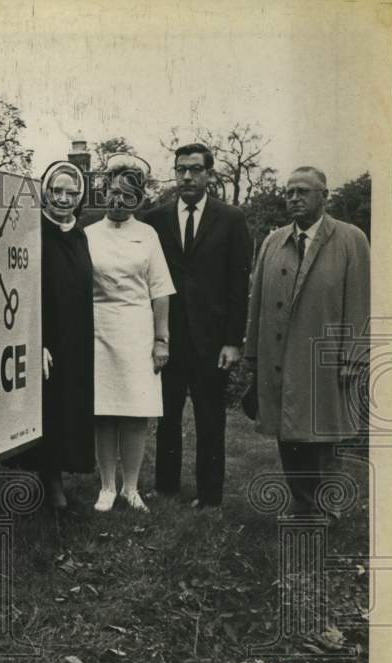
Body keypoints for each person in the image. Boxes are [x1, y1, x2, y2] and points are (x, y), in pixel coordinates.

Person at [244, 166, 370, 517]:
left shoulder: (351, 239)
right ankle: (303, 505)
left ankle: (328, 508)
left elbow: (359, 300)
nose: (294, 198)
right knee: (289, 433)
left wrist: (354, 358)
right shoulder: (273, 240)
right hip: (280, 357)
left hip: (325, 358)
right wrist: (253, 354)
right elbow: (256, 301)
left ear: (324, 196)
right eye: (289, 192)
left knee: (325, 433)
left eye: (303, 191)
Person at [143, 143, 252, 509]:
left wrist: (232, 341)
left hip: (211, 338)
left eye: (194, 169)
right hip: (167, 335)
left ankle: (210, 496)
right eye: (180, 169)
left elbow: (239, 285)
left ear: (209, 174)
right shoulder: (154, 219)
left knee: (210, 419)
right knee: (167, 416)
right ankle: (166, 487)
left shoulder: (231, 219)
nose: (186, 176)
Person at [85, 154, 175, 512]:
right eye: (113, 193)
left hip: (138, 330)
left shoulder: (148, 235)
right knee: (104, 412)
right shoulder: (88, 234)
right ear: (104, 192)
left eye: (127, 196)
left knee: (136, 413)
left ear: (138, 199)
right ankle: (107, 487)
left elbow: (160, 289)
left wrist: (161, 339)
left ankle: (131, 488)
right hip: (98, 329)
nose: (119, 201)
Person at [38, 161, 96, 509]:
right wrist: (37, 340)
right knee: (49, 408)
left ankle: (64, 471)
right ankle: (51, 482)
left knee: (71, 405)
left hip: (76, 334)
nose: (63, 198)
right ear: (45, 192)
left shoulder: (80, 234)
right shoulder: (33, 231)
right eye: (57, 191)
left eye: (71, 192)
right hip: (47, 336)